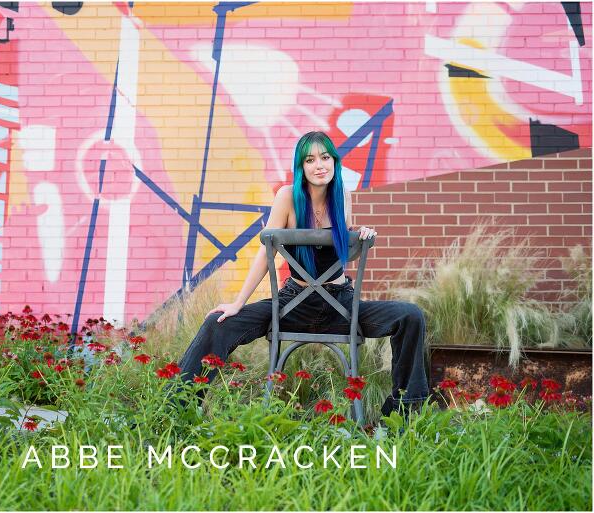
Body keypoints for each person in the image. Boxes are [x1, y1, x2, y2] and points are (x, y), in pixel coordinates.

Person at [176, 131, 430, 418]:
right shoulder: (287, 196)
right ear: (302, 167)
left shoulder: (342, 197)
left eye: (325, 157)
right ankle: (178, 411)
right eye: (310, 159)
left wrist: (359, 235)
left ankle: (402, 415)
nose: (319, 165)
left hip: (342, 307)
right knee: (216, 322)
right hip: (292, 305)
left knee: (411, 315)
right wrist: (238, 303)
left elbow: (341, 248)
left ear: (334, 162)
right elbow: (266, 251)